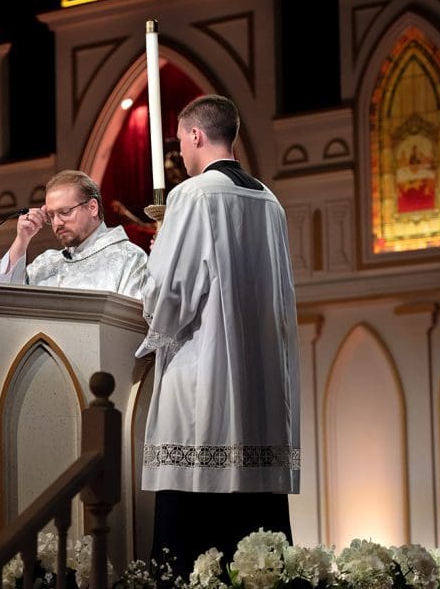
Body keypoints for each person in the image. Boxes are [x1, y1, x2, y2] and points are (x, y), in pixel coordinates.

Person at [136, 95, 301, 580]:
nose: (180, 154)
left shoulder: (193, 196)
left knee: (193, 551)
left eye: (180, 141)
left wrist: (158, 258)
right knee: (255, 550)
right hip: (262, 393)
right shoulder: (269, 200)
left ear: (195, 135)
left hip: (205, 384)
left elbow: (170, 297)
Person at [0, 169, 147, 298]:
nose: (57, 223)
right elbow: (0, 298)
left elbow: (133, 326)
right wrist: (22, 240)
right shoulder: (46, 263)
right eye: (51, 216)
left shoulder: (129, 258)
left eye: (64, 212)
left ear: (92, 207)